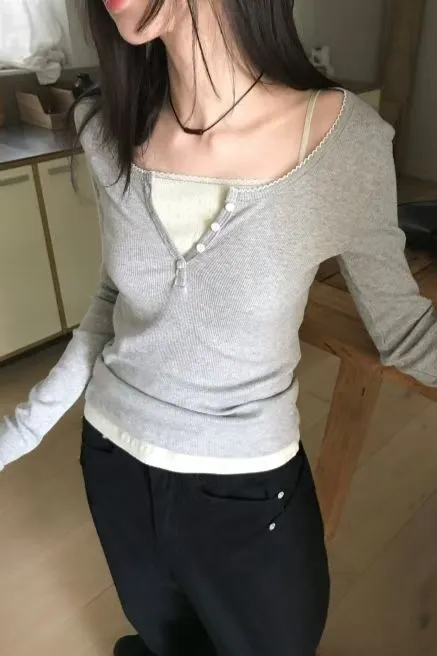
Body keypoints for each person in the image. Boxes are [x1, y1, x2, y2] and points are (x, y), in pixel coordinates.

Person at [1, 1, 437, 655]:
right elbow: (114, 300)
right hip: (114, 463)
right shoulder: (106, 123)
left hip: (245, 483)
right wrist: (18, 432)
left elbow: (405, 333)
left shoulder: (342, 143)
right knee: (164, 639)